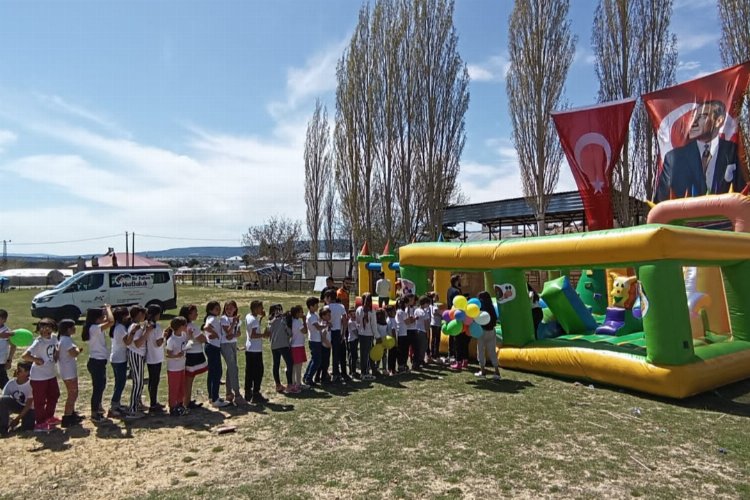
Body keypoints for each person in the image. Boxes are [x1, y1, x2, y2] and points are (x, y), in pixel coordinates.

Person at [654, 100, 746, 202]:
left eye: (702, 117)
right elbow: (660, 203)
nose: (693, 122)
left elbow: (744, 196)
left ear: (719, 121)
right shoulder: (673, 158)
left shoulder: (733, 151)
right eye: (693, 117)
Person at [22, 318, 60, 432]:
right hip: (39, 377)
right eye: (42, 327)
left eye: (48, 327)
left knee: (54, 395)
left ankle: (49, 417)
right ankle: (39, 423)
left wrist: (56, 356)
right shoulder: (38, 342)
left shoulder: (54, 338)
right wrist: (36, 359)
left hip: (50, 374)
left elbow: (56, 349)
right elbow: (25, 355)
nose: (45, 330)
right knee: (40, 400)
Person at [83, 305, 114, 423]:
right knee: (98, 388)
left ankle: (98, 407)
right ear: (97, 318)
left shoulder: (94, 326)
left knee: (101, 386)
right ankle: (94, 413)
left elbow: (107, 320)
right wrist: (108, 309)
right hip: (96, 362)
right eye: (102, 316)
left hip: (98, 362)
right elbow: (111, 321)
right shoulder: (95, 328)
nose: (104, 317)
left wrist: (105, 312)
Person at [56, 319, 83, 427]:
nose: (75, 329)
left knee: (73, 393)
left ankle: (72, 413)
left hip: (67, 370)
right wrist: (78, 350)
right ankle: (67, 417)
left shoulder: (64, 339)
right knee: (73, 394)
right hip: (68, 371)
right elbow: (73, 353)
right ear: (68, 329)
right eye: (73, 327)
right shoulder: (66, 340)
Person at [203, 301, 229, 408]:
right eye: (216, 309)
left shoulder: (212, 318)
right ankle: (215, 399)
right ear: (210, 310)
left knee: (212, 372)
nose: (218, 311)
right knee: (217, 373)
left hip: (211, 346)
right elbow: (206, 327)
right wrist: (215, 334)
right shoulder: (212, 318)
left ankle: (211, 396)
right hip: (213, 347)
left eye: (219, 309)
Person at [181, 304, 207, 409]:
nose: (197, 314)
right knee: (189, 380)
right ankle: (186, 402)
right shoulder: (192, 326)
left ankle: (186, 400)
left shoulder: (183, 325)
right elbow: (202, 339)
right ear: (189, 314)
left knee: (188, 379)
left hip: (188, 354)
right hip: (193, 354)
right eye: (195, 312)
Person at [245, 300, 270, 404]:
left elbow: (253, 329)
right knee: (258, 372)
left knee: (249, 371)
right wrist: (264, 335)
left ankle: (248, 392)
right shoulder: (254, 320)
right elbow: (253, 335)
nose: (262, 309)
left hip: (250, 348)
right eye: (260, 307)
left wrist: (261, 318)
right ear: (255, 308)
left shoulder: (249, 316)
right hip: (255, 349)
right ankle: (256, 393)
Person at [125, 306, 149, 419]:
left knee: (139, 382)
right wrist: (147, 332)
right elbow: (138, 343)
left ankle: (137, 405)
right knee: (138, 382)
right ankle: (132, 410)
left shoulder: (138, 326)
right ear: (139, 314)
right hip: (136, 355)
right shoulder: (135, 327)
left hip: (139, 355)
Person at [0, 362, 35, 436]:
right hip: (17, 405)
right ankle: (3, 428)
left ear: (27, 373)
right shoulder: (11, 383)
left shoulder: (31, 384)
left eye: (19, 370)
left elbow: (28, 405)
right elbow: (3, 401)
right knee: (3, 399)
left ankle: (18, 427)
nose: (16, 371)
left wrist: (17, 419)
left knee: (27, 428)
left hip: (29, 409)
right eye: (17, 369)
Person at [108, 307, 130, 418]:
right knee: (120, 383)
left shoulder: (116, 327)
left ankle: (117, 404)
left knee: (118, 383)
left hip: (116, 358)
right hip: (119, 359)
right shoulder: (120, 328)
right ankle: (114, 406)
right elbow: (127, 342)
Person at [164, 316, 189, 416]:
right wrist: (175, 356)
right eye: (185, 325)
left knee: (181, 387)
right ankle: (172, 406)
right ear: (180, 326)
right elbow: (168, 353)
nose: (186, 327)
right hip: (173, 368)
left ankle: (180, 404)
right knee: (174, 388)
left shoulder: (183, 335)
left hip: (181, 366)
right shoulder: (172, 340)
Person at [220, 300, 243, 405]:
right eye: (227, 308)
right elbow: (228, 331)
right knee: (233, 367)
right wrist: (233, 323)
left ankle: (229, 393)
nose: (229, 310)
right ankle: (237, 394)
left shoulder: (238, 320)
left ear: (235, 309)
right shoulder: (224, 319)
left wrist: (233, 335)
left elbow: (238, 333)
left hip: (233, 344)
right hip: (225, 344)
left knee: (231, 368)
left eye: (231, 308)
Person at [324, 290, 350, 383]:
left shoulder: (326, 307)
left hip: (329, 332)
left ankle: (329, 373)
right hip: (338, 331)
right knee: (337, 354)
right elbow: (344, 320)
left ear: (329, 298)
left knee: (327, 354)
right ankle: (338, 373)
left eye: (326, 298)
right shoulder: (341, 306)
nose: (325, 300)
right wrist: (343, 334)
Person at [144, 304, 166, 413]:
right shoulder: (157, 327)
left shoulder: (147, 325)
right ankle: (153, 403)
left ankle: (153, 401)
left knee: (152, 380)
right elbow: (158, 343)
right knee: (155, 380)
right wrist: (164, 336)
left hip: (149, 356)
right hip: (156, 356)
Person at [475, 291, 501, 380]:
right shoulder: (491, 306)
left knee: (481, 350)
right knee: (492, 351)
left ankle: (483, 371)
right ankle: (497, 372)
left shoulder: (480, 306)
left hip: (482, 331)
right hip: (491, 331)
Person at [269, 304, 293, 393]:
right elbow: (289, 333)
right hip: (283, 345)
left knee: (276, 364)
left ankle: (278, 385)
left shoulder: (271, 321)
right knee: (289, 363)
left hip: (274, 345)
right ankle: (289, 384)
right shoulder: (283, 320)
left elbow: (269, 333)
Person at [355, 293, 377, 381]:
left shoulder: (359, 309)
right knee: (368, 354)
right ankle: (365, 373)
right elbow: (373, 325)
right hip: (369, 335)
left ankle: (363, 372)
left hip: (361, 334)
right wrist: (377, 336)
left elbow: (357, 322)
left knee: (363, 354)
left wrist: (359, 330)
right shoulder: (372, 311)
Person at [303, 297, 324, 387]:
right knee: (317, 361)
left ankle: (306, 376)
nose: (317, 307)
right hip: (314, 341)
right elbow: (318, 327)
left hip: (316, 339)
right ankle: (309, 378)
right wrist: (326, 325)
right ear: (311, 306)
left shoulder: (314, 314)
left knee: (314, 359)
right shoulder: (311, 317)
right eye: (316, 305)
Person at [287, 305, 307, 393]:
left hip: (296, 345)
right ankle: (297, 384)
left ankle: (296, 383)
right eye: (301, 312)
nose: (302, 313)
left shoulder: (293, 321)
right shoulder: (298, 322)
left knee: (296, 366)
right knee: (297, 367)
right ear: (297, 313)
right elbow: (305, 331)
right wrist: (304, 320)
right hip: (297, 346)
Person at [446, 275, 462, 364]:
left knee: (452, 334)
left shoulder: (449, 290)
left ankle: (450, 353)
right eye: (459, 280)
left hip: (450, 313)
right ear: (456, 281)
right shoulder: (456, 291)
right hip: (457, 314)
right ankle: (456, 354)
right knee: (457, 334)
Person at [0, 309, 17, 389]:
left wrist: (9, 360)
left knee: (5, 385)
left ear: (4, 320)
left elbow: (13, 346)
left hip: (1, 362)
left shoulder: (7, 332)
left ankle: (10, 399)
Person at [394, 297, 411, 373]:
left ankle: (401, 365)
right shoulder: (402, 312)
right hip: (403, 333)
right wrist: (410, 317)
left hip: (400, 332)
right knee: (403, 350)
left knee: (401, 350)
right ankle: (402, 365)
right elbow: (407, 322)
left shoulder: (397, 311)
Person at [428, 292, 442, 363]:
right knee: (435, 339)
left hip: (436, 324)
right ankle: (434, 354)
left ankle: (434, 353)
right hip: (435, 324)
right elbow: (435, 312)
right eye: (436, 296)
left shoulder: (432, 305)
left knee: (435, 339)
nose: (437, 297)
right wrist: (441, 314)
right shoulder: (434, 305)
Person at [346, 309, 359, 379]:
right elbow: (355, 333)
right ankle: (352, 371)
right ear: (349, 315)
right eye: (352, 314)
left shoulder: (355, 321)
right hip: (352, 340)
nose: (354, 315)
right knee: (353, 356)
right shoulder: (351, 322)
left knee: (354, 356)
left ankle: (353, 371)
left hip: (355, 340)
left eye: (354, 314)